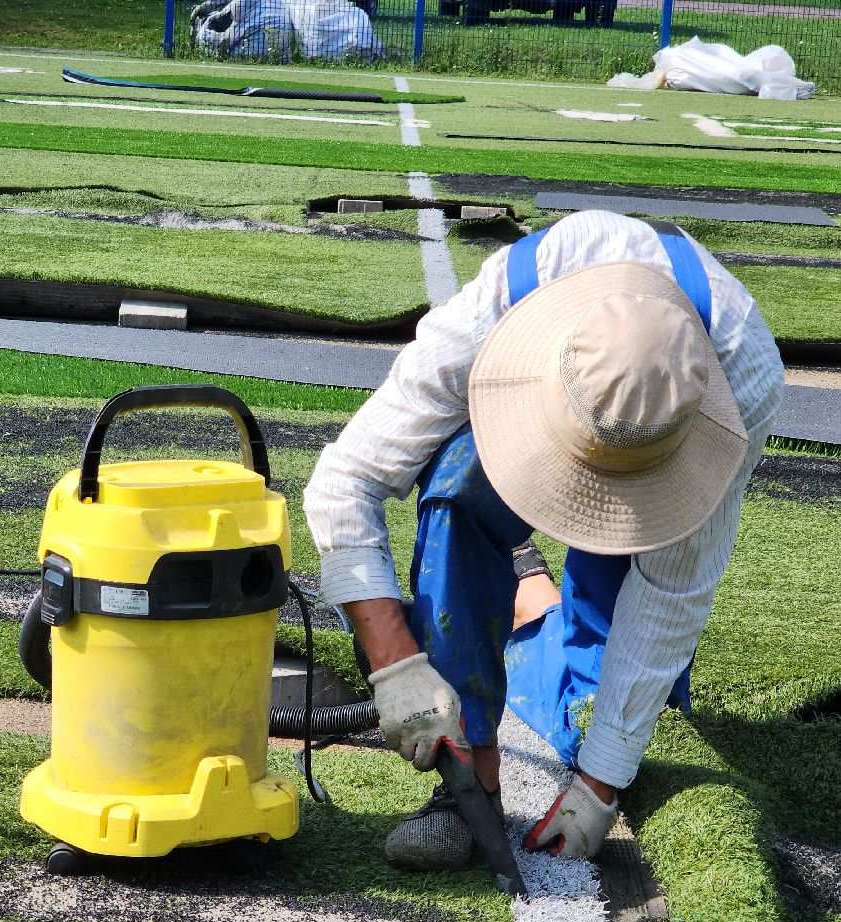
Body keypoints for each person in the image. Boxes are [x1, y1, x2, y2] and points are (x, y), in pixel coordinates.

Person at [303, 210, 784, 868]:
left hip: (657, 478)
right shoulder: (493, 311)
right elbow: (343, 481)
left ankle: (532, 598)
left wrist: (599, 784)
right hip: (524, 399)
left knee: (594, 719)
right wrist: (397, 667)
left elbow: (672, 593)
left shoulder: (745, 380)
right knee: (454, 486)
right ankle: (472, 780)